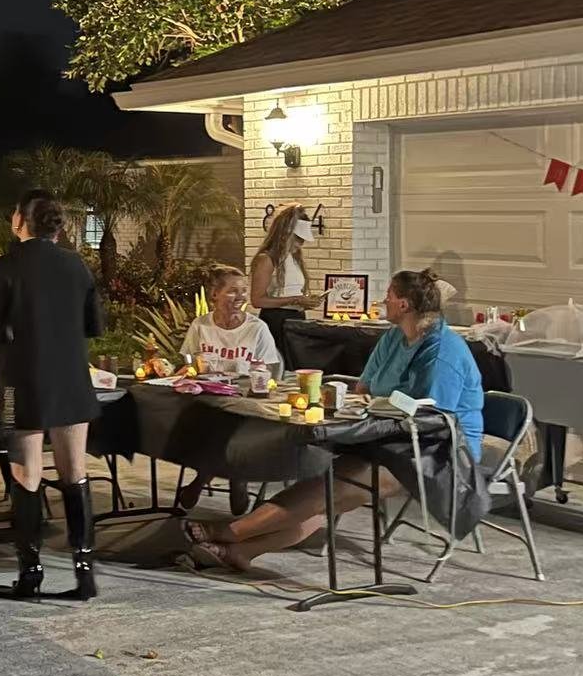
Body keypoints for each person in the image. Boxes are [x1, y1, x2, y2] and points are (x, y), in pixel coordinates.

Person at [185, 268, 485, 572]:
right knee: (321, 477)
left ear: (404, 305)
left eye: (390, 296)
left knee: (331, 488)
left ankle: (228, 532)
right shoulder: (394, 337)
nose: (384, 301)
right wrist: (377, 408)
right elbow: (364, 387)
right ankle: (243, 551)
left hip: (435, 453)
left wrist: (379, 408)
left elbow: (430, 416)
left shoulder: (442, 352)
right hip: (387, 436)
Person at [0, 189, 105, 599]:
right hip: (70, 380)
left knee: (25, 477)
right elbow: (93, 326)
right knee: (75, 474)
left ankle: (30, 574)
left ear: (20, 221)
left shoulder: (4, 267)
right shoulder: (77, 266)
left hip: (18, 386)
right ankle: (84, 574)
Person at [172, 264, 284, 511]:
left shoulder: (257, 329)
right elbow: (190, 365)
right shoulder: (200, 326)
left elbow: (267, 374)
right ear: (214, 294)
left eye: (244, 291)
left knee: (228, 426)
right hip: (208, 401)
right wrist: (187, 372)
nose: (242, 297)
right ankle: (237, 477)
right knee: (203, 423)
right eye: (233, 291)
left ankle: (201, 482)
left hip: (245, 402)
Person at [249, 203, 322, 368]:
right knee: (278, 368)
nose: (301, 243)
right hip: (276, 321)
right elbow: (257, 300)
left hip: (296, 320)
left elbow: (291, 291)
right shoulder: (266, 259)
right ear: (285, 233)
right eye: (298, 237)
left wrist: (305, 301)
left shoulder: (295, 259)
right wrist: (295, 299)